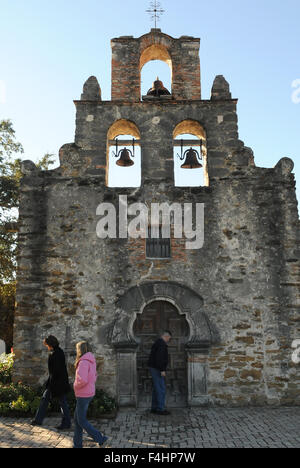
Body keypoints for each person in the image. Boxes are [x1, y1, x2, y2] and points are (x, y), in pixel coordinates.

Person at [31, 335, 71, 430]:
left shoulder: (55, 354)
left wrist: (51, 384)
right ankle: (38, 420)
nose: (46, 347)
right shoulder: (58, 352)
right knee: (46, 400)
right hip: (57, 382)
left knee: (62, 403)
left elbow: (55, 371)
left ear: (50, 344)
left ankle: (66, 423)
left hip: (57, 383)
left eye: (47, 345)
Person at [73, 341, 108, 449]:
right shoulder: (91, 360)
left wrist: (75, 385)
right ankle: (77, 445)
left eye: (77, 349)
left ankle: (100, 438)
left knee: (81, 420)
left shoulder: (83, 362)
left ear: (80, 350)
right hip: (89, 392)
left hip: (83, 393)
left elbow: (82, 380)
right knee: (77, 419)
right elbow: (94, 375)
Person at [148, 330, 172, 416]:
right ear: (166, 336)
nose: (169, 339)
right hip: (157, 369)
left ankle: (154, 408)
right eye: (169, 338)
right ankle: (160, 409)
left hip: (154, 367)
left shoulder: (158, 342)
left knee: (156, 389)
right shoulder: (161, 344)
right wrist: (162, 370)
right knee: (161, 389)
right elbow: (160, 358)